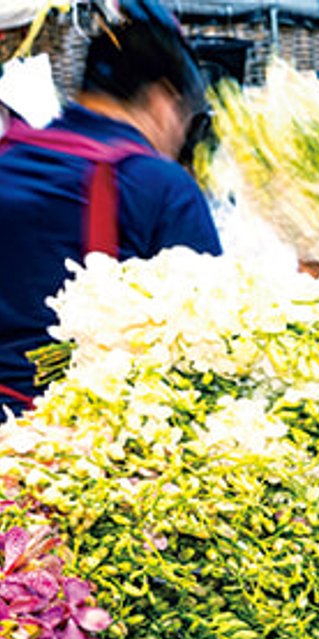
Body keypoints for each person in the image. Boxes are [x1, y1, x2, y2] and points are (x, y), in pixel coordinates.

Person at [0, 0, 221, 412]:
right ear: (163, 100)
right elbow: (215, 331)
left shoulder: (10, 159)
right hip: (66, 444)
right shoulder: (160, 185)